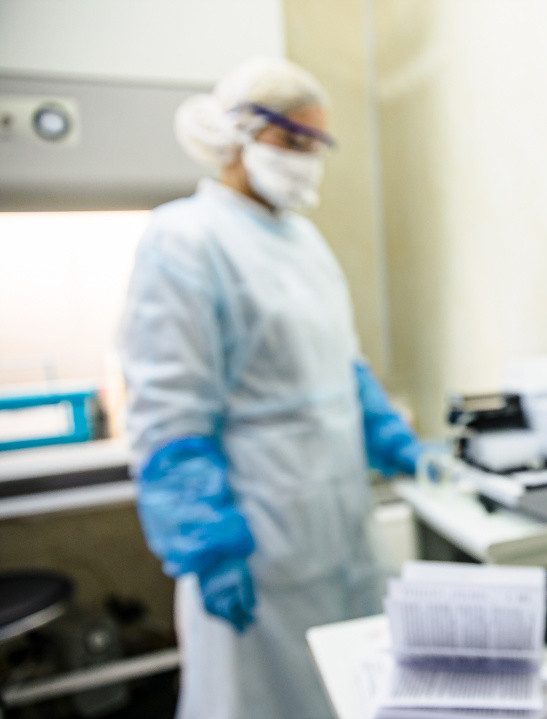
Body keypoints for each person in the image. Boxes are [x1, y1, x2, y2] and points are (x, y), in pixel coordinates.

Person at [119, 57, 429, 719]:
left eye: (317, 144)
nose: (307, 160)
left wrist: (395, 439)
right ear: (240, 134)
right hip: (257, 548)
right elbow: (168, 416)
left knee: (353, 693)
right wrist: (209, 545)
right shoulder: (184, 238)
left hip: (340, 531)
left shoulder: (303, 240)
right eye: (293, 140)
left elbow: (341, 367)